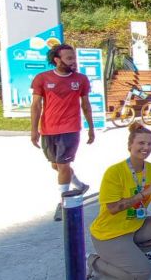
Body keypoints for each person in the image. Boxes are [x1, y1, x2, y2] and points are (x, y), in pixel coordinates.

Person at [87, 122, 151, 280]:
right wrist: (143, 194)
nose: (146, 147)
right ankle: (92, 262)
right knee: (141, 274)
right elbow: (113, 208)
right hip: (109, 234)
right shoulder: (114, 172)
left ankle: (130, 255)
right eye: (141, 143)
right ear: (130, 145)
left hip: (135, 226)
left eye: (150, 143)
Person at [30, 43, 94, 221]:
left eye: (73, 57)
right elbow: (36, 105)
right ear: (57, 60)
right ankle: (80, 185)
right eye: (69, 58)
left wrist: (91, 128)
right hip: (48, 129)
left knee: (63, 166)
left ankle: (63, 202)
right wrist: (34, 130)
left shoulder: (81, 79)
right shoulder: (42, 78)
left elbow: (86, 105)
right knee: (56, 165)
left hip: (70, 128)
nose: (73, 61)